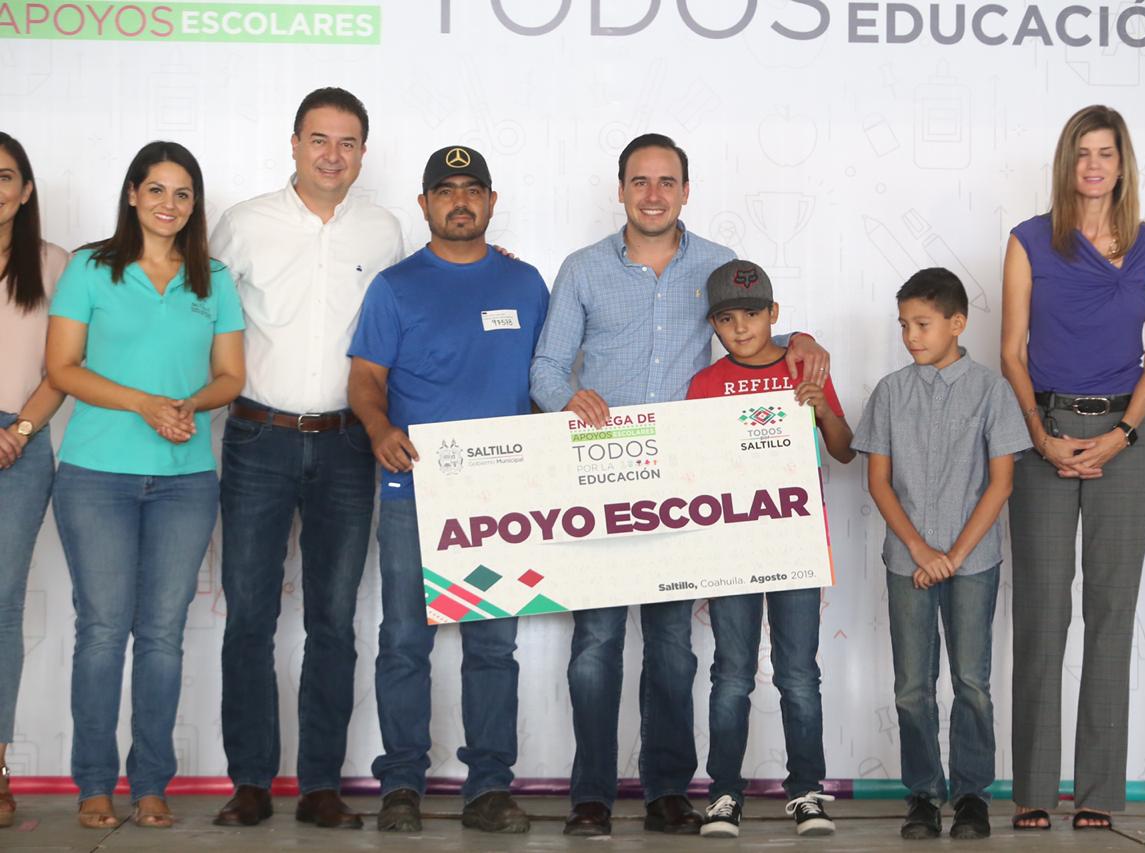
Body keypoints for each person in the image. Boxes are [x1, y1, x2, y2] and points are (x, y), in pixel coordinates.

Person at [529, 132, 831, 837]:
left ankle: (667, 790)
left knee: (671, 647)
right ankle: (591, 795)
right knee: (596, 645)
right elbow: (546, 366)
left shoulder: (717, 263)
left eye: (667, 181)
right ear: (621, 190)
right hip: (603, 479)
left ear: (686, 191)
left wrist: (803, 339)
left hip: (685, 486)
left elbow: (754, 332)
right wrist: (567, 398)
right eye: (640, 181)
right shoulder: (581, 269)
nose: (653, 194)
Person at [209, 87, 403, 830]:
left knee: (333, 620)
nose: (332, 155)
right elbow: (200, 312)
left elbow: (410, 314)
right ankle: (250, 781)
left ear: (363, 153)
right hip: (257, 437)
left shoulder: (384, 231)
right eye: (319, 139)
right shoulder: (243, 224)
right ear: (293, 144)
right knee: (249, 616)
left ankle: (321, 783)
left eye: (347, 142)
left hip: (349, 444)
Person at [44, 140, 245, 829]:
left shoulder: (213, 278)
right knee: (103, 632)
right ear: (132, 195)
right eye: (156, 189)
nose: (169, 204)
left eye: (183, 193)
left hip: (185, 482)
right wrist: (144, 404)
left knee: (162, 634)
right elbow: (62, 367)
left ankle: (152, 783)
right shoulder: (90, 267)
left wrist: (190, 404)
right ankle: (95, 785)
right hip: (96, 476)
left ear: (195, 204)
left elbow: (231, 376)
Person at [347, 145, 547, 834]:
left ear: (491, 201)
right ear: (424, 204)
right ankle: (401, 784)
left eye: (472, 189)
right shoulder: (394, 286)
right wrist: (378, 428)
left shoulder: (527, 284)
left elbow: (547, 379)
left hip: (501, 497)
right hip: (416, 490)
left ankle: (488, 787)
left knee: (492, 647)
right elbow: (365, 378)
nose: (460, 201)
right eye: (445, 190)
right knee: (406, 640)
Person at [1000, 104, 1145, 830]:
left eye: (1106, 153)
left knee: (1110, 613)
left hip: (1125, 439)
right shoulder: (1028, 240)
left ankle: (1098, 790)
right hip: (1044, 430)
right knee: (1043, 613)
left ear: (1122, 163)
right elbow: (1011, 351)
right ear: (1066, 163)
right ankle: (1034, 790)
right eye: (1082, 153)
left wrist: (1121, 434)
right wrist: (1040, 435)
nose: (1094, 165)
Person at [856, 268, 1030, 840]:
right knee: (912, 686)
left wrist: (953, 555)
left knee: (972, 681)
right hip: (907, 562)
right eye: (904, 325)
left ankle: (972, 796)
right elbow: (878, 481)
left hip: (973, 563)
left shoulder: (991, 391)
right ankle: (924, 796)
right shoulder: (890, 393)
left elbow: (1000, 483)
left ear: (957, 323)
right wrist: (919, 549)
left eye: (923, 324)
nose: (911, 336)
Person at [685, 260, 853, 839]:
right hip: (731, 547)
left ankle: (807, 790)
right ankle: (723, 795)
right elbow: (691, 468)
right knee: (731, 674)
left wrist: (821, 407)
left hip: (795, 543)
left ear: (774, 314)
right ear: (712, 324)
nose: (741, 328)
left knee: (798, 674)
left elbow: (845, 450)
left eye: (752, 314)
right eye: (726, 319)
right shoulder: (705, 384)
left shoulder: (803, 367)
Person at [0, 132, 69, 830]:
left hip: (18, 445)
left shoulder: (53, 264)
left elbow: (64, 366)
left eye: (4, 176)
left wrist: (18, 430)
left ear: (24, 191)